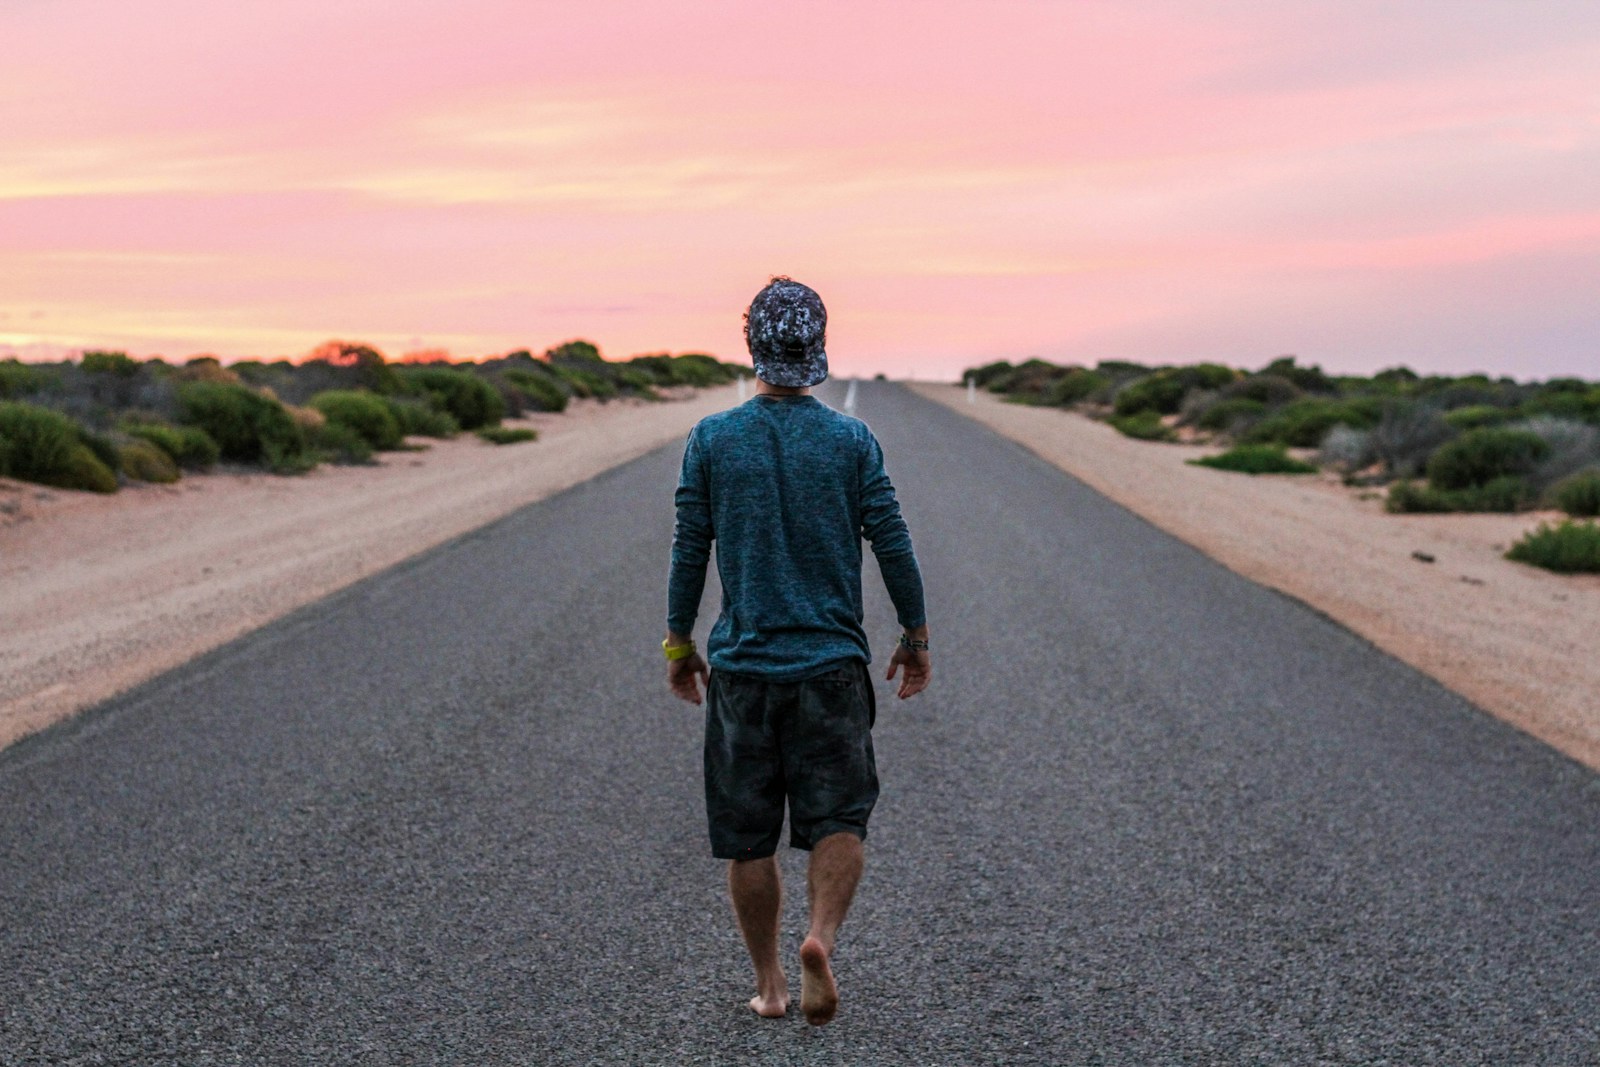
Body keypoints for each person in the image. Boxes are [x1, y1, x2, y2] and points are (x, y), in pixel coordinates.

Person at [664, 276, 931, 1027]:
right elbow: (892, 540)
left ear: (751, 340)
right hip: (830, 669)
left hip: (745, 670)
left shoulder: (713, 438)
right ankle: (821, 937)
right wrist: (914, 634)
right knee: (839, 818)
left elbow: (690, 547)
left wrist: (679, 640)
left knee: (747, 836)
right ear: (817, 344)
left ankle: (772, 984)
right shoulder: (850, 439)